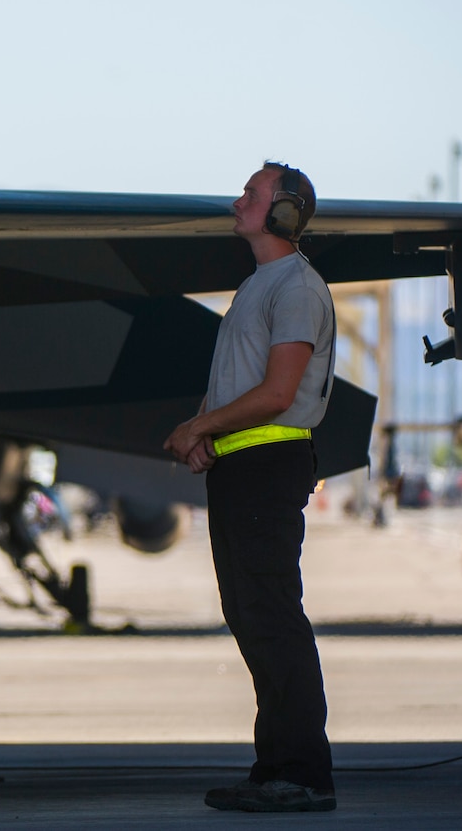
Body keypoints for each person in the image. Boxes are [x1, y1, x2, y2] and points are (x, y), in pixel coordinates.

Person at [164, 161, 337, 814]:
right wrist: (210, 432)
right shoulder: (259, 285)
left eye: (252, 192)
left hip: (268, 466)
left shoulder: (295, 286)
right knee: (252, 616)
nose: (238, 200)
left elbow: (277, 392)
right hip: (241, 465)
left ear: (285, 213)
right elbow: (243, 383)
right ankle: (275, 768)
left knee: (271, 616)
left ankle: (304, 772)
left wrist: (196, 424)